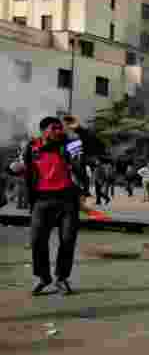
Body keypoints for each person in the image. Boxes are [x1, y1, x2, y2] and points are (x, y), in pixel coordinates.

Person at [10, 116, 94, 295]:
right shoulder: (32, 148)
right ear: (43, 130)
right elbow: (19, 166)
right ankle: (43, 277)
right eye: (54, 128)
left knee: (68, 240)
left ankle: (61, 278)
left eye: (60, 128)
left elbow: (93, 146)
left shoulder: (68, 145)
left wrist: (78, 129)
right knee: (37, 240)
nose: (58, 131)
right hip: (42, 201)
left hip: (67, 200)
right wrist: (13, 168)